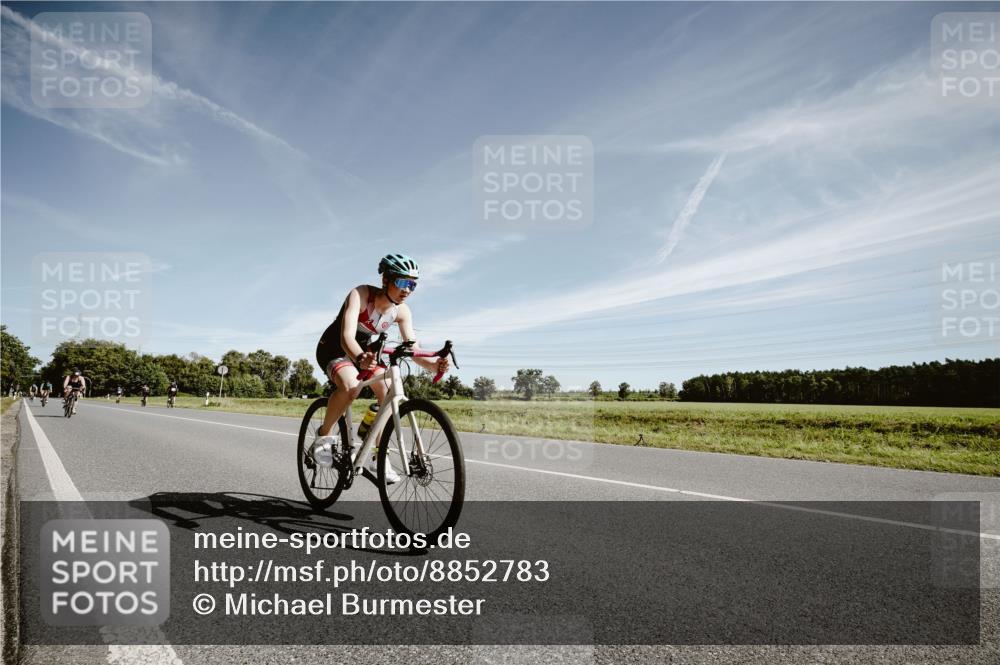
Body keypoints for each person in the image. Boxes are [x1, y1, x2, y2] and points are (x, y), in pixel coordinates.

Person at [313, 253, 449, 483]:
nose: (408, 290)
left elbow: (412, 348)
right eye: (403, 282)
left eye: (413, 285)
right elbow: (346, 336)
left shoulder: (402, 311)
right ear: (386, 280)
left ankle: (379, 456)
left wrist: (433, 365)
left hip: (366, 353)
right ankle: (324, 436)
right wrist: (359, 357)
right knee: (351, 387)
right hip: (336, 348)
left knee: (389, 392)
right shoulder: (361, 294)